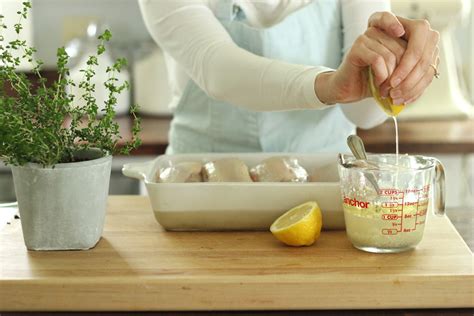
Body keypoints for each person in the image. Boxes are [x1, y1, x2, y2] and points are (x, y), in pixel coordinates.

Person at [138, 0, 440, 154]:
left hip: (323, 181)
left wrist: (394, 74)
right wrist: (329, 86)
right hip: (202, 179)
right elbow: (218, 68)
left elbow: (362, 112)